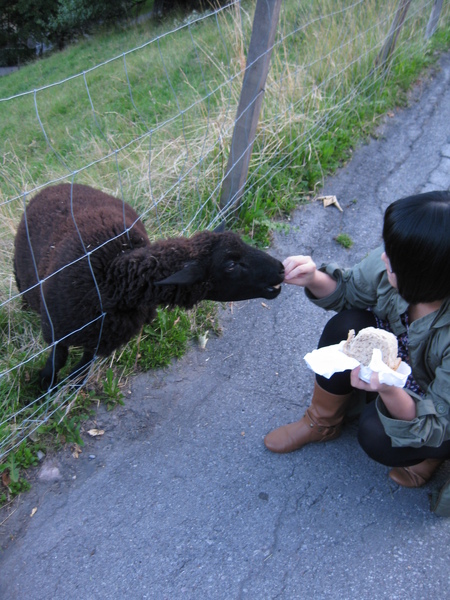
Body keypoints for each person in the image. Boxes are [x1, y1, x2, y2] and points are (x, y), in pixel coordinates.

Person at [264, 190, 450, 491]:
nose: (383, 258)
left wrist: (389, 389)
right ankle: (321, 422)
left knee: (377, 435)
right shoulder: (404, 259)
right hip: (408, 361)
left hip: (439, 406)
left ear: (421, 277)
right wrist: (313, 278)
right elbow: (351, 290)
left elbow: (439, 422)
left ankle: (428, 458)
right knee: (346, 326)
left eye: (393, 260)